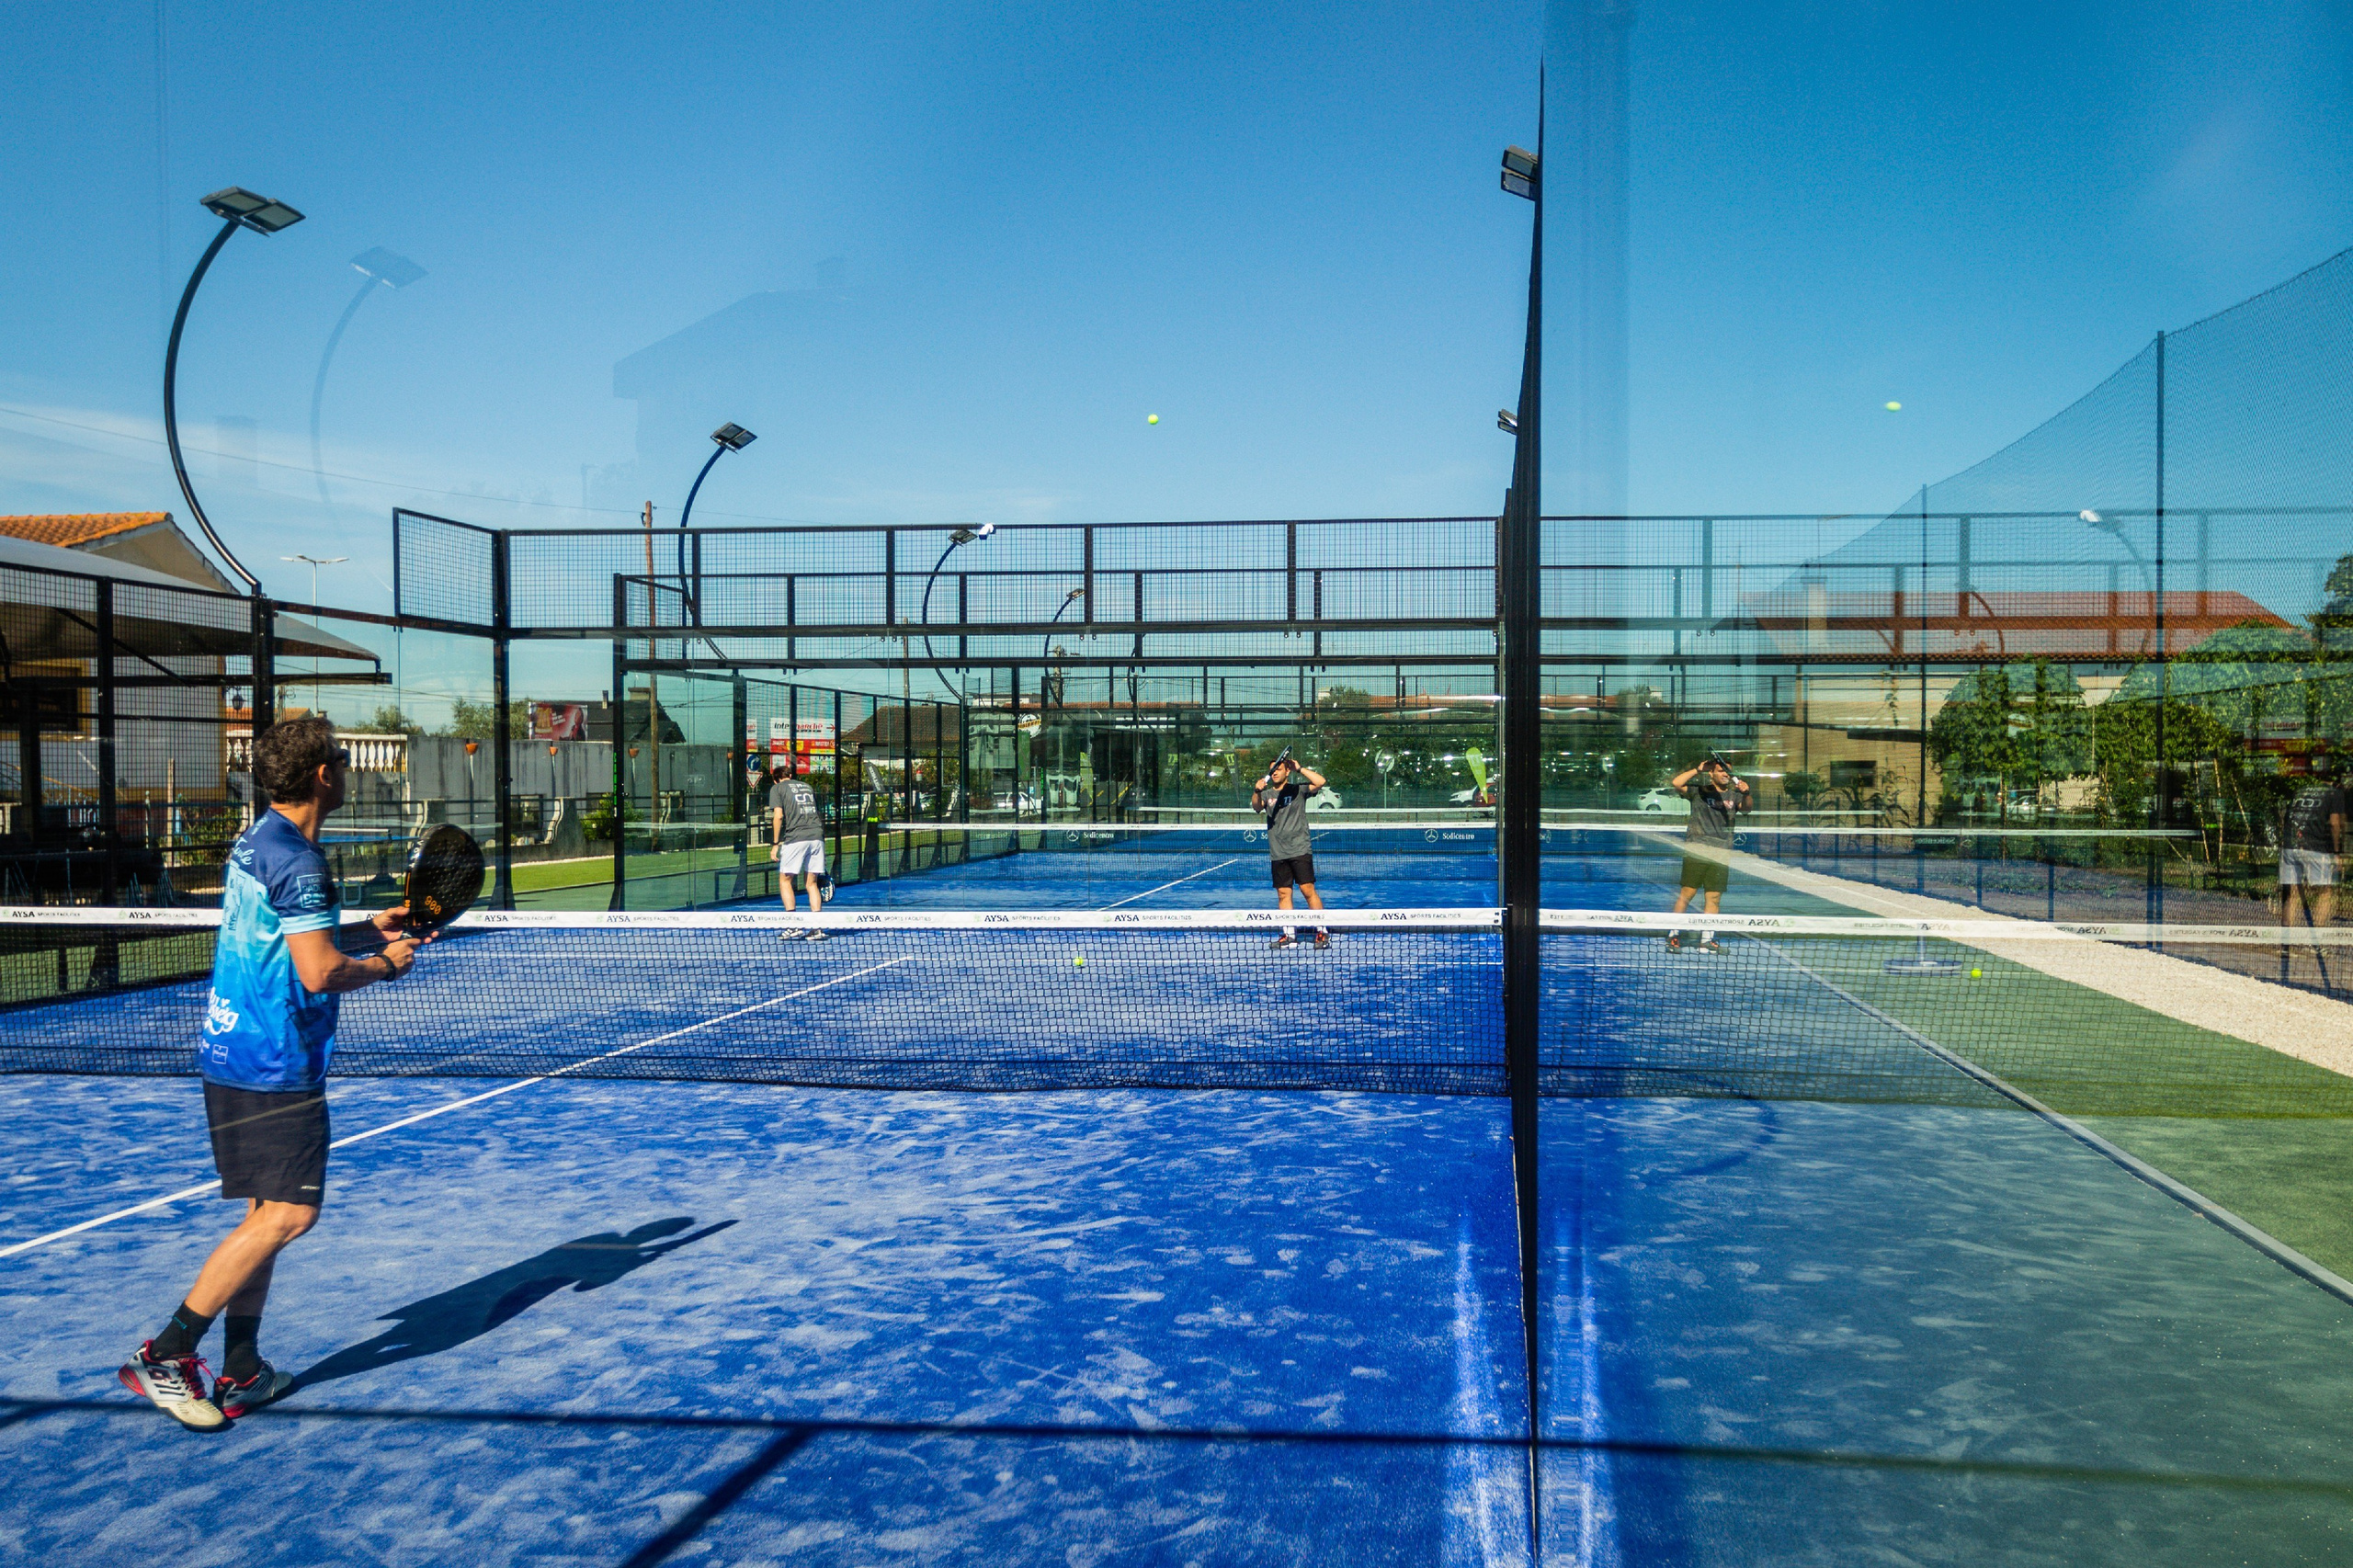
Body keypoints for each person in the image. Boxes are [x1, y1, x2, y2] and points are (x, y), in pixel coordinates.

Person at [119, 716, 424, 1429]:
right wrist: (383, 965)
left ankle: (244, 1367)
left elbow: (293, 946)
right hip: (274, 1062)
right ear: (323, 775)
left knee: (264, 1213)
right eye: (343, 761)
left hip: (231, 1052)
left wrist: (363, 933)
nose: (348, 770)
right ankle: (165, 1352)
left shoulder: (262, 840)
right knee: (291, 1214)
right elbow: (318, 975)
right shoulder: (302, 860)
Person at [1666, 755, 1751, 953]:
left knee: (1714, 898)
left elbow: (1747, 809)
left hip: (1721, 853)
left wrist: (1747, 793)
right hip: (1697, 850)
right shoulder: (1699, 792)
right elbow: (1676, 783)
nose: (1725, 775)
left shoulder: (1735, 796)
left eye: (1728, 772)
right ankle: (1673, 935)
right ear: (1712, 773)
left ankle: (1706, 940)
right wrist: (1698, 769)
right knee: (1687, 894)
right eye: (1721, 771)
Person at [1251, 750, 1329, 949]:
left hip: (1300, 849)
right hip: (1278, 853)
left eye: (1278, 769)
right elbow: (1256, 807)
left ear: (1287, 771)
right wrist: (1257, 790)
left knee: (1307, 890)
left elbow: (1321, 781)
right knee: (1283, 894)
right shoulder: (1267, 794)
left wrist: (1300, 768)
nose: (1274, 772)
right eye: (1272, 770)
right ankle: (1290, 936)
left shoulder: (1298, 790)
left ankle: (1322, 932)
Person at [2279, 767, 2347, 928]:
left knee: (2293, 893)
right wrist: (2337, 852)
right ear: (2337, 782)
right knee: (2326, 892)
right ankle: (2317, 942)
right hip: (2316, 847)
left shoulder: (2302, 791)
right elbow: (2335, 823)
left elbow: (2286, 817)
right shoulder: (2334, 793)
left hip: (2290, 846)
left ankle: (2287, 941)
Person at [770, 763, 831, 939]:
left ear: (776, 779)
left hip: (796, 838)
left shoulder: (777, 788)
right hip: (817, 837)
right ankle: (817, 928)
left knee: (785, 880)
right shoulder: (808, 786)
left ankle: (794, 926)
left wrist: (775, 843)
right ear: (790, 775)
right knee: (811, 883)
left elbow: (779, 816)